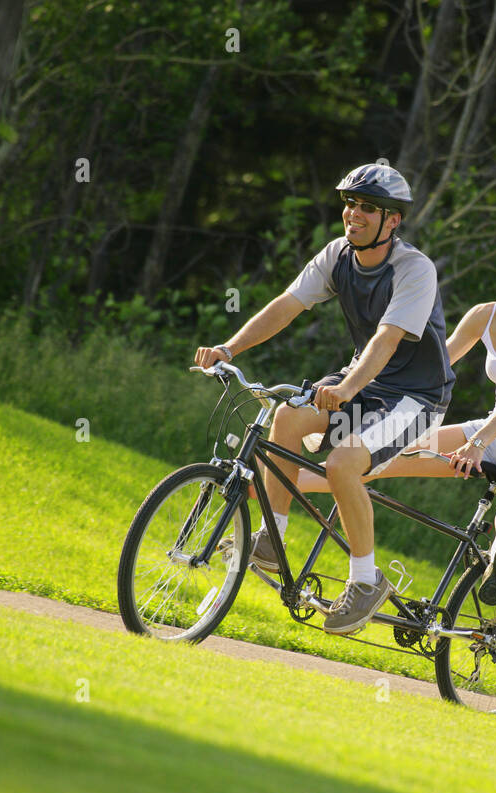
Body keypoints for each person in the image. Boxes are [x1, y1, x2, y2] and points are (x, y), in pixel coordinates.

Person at [194, 163, 454, 634]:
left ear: (392, 220)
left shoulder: (414, 269)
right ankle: (272, 540)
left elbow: (387, 340)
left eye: (367, 207)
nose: (353, 213)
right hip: (364, 384)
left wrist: (346, 388)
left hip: (417, 399)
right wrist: (228, 348)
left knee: (341, 465)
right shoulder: (338, 255)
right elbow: (287, 305)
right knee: (287, 418)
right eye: (349, 203)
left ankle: (365, 581)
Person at [294, 235, 496, 604]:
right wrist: (365, 390)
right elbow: (432, 370)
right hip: (485, 432)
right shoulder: (487, 314)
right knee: (379, 458)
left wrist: (477, 443)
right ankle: (283, 482)